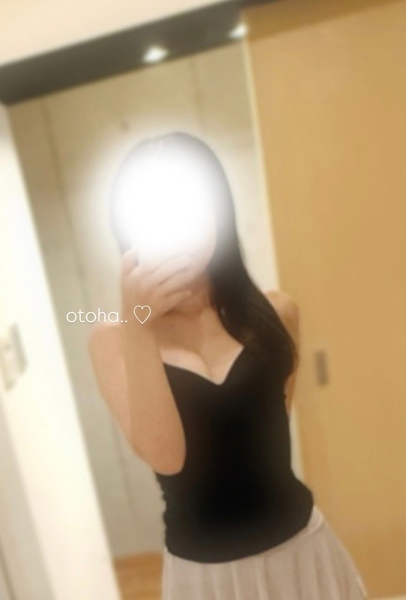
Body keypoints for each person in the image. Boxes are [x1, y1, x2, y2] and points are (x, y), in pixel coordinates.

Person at [88, 132, 368, 599]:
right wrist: (138, 324)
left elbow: (263, 435)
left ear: (215, 213)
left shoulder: (277, 313)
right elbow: (167, 458)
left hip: (303, 551)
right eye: (156, 210)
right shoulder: (114, 339)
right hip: (206, 578)